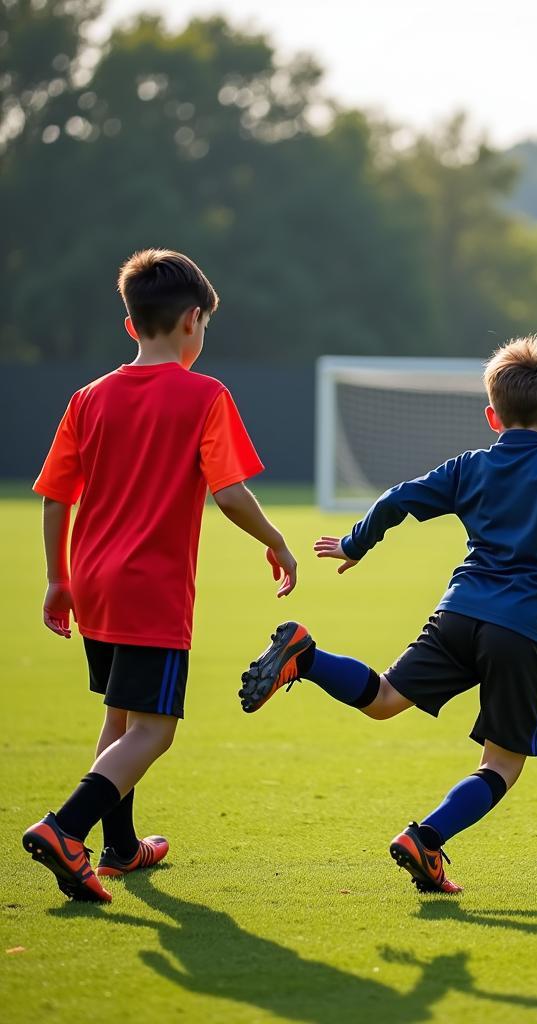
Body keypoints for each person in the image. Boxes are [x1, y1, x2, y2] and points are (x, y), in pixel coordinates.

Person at [238, 336, 537, 893]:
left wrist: (354, 543)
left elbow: (398, 497)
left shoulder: (469, 467)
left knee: (385, 700)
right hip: (522, 633)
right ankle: (427, 839)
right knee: (502, 764)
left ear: (492, 415)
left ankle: (308, 656)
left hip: (459, 614)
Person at [23, 249, 298, 903]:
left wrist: (57, 578)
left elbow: (56, 495)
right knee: (155, 728)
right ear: (194, 321)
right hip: (151, 589)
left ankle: (121, 847)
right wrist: (277, 541)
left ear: (130, 325)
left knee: (120, 713)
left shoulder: (88, 398)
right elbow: (228, 495)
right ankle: (66, 828)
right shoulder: (204, 395)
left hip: (91, 582)